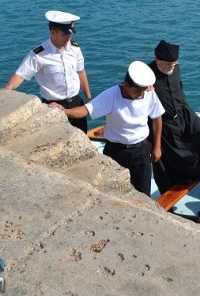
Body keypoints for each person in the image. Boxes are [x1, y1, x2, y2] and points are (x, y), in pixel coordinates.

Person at [50, 61, 164, 196]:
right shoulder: (111, 95)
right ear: (126, 85)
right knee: (113, 191)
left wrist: (157, 146)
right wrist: (65, 111)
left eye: (142, 91)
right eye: (137, 91)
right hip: (116, 151)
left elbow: (157, 117)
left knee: (143, 192)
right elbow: (86, 110)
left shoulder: (149, 92)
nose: (140, 94)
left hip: (141, 150)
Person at [2, 10, 92, 133]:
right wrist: (10, 87)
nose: (69, 37)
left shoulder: (75, 48)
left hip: (77, 103)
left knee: (82, 136)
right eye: (65, 34)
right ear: (53, 32)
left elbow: (81, 72)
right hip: (52, 106)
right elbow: (21, 74)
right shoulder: (39, 54)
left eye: (70, 34)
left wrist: (88, 97)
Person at [147, 40, 200, 193]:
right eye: (168, 65)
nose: (171, 68)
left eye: (174, 64)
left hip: (183, 110)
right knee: (172, 154)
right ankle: (173, 187)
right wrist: (144, 86)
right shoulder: (146, 74)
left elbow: (179, 86)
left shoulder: (175, 68)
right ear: (157, 60)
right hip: (164, 120)